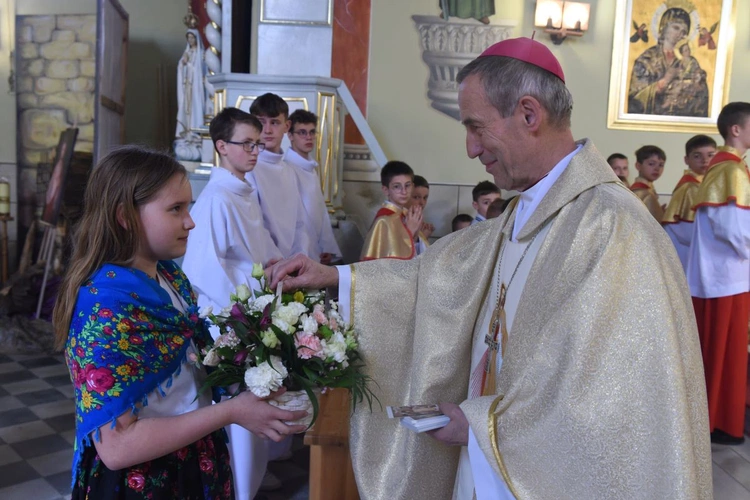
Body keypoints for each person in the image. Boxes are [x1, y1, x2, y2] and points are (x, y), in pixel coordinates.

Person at [267, 37, 710, 499]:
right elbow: (437, 275)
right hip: (486, 463)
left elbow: (607, 404)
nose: (471, 148)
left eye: (476, 127)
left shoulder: (613, 229)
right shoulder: (527, 210)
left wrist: (483, 427)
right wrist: (338, 278)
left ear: (528, 114)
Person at [52, 146, 306, 499]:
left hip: (194, 458)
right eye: (176, 209)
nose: (191, 221)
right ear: (125, 215)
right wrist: (231, 412)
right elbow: (117, 447)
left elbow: (191, 370)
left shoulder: (169, 277)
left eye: (188, 206)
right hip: (145, 479)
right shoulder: (105, 306)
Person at [686, 102, 750, 445]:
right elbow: (732, 228)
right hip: (728, 276)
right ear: (735, 130)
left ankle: (719, 419)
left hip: (725, 275)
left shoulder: (727, 168)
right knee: (725, 351)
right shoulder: (731, 171)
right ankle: (720, 422)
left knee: (722, 351)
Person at [182, 107, 282, 313]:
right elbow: (201, 270)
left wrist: (274, 265)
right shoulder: (216, 199)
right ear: (222, 146)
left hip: (254, 303)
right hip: (226, 313)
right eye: (247, 144)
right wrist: (254, 287)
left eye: (257, 144)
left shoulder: (244, 193)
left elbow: (256, 252)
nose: (255, 152)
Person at [248, 93, 310, 258]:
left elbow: (300, 223)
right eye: (261, 122)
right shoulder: (249, 169)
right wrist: (279, 261)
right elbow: (255, 225)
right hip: (265, 261)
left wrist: (300, 256)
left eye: (275, 122)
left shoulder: (290, 171)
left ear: (287, 126)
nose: (267, 130)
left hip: (290, 263)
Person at [284, 109, 342, 265]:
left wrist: (325, 245)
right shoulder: (287, 169)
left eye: (311, 132)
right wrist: (307, 249)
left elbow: (320, 211)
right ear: (290, 136)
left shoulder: (310, 168)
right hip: (298, 250)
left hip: (315, 247)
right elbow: (297, 216)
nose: (308, 137)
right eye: (302, 132)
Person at [628, 7, 708, 116]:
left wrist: (694, 86)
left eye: (684, 31)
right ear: (663, 28)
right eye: (676, 28)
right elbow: (634, 100)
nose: (679, 34)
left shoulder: (690, 62)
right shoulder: (647, 59)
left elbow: (701, 96)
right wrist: (664, 82)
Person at [661, 134, 716, 272]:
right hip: (686, 250)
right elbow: (686, 229)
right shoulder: (690, 187)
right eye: (697, 156)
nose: (705, 160)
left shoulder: (703, 183)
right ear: (687, 160)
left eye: (710, 155)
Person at [360, 161, 426, 260]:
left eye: (407, 185)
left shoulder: (405, 214)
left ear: (412, 186)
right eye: (397, 186)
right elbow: (390, 263)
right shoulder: (384, 220)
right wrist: (410, 232)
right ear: (386, 190)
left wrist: (416, 236)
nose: (404, 191)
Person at [176, 29, 207, 138]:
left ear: (196, 38)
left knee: (195, 107)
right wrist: (182, 64)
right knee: (186, 108)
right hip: (187, 85)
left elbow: (203, 70)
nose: (190, 40)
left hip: (196, 86)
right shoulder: (187, 53)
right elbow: (181, 68)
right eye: (188, 38)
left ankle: (195, 131)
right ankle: (187, 131)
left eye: (192, 37)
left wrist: (188, 65)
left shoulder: (202, 54)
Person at [630, 145, 666, 220]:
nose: (657, 168)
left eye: (661, 165)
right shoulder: (642, 193)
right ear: (638, 166)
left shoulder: (648, 190)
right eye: (651, 164)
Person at [411, 175, 435, 239]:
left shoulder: (421, 223)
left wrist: (424, 236)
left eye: (425, 198)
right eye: (416, 197)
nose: (422, 203)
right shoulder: (397, 221)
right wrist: (423, 237)